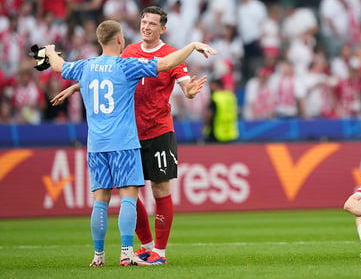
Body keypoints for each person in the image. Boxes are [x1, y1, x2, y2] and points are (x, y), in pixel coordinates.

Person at [43, 19, 216, 267]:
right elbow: (166, 63)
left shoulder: (86, 66)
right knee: (128, 196)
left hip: (96, 144)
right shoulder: (127, 65)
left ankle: (98, 256)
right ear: (119, 40)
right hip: (124, 141)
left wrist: (49, 51)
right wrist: (192, 45)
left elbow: (59, 66)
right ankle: (126, 252)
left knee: (100, 200)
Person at [203, 78, 239, 143]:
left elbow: (209, 114)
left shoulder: (214, 97)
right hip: (230, 132)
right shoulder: (230, 96)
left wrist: (206, 126)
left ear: (215, 85)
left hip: (216, 132)